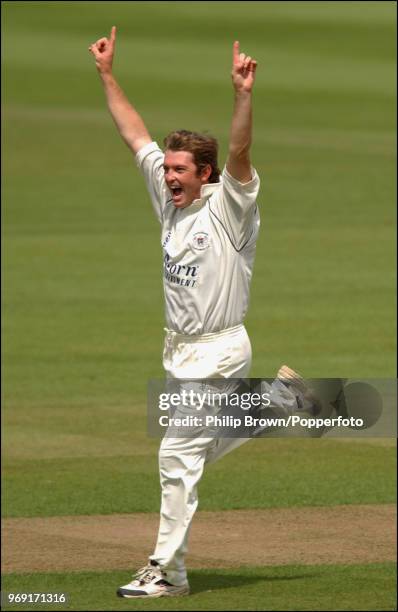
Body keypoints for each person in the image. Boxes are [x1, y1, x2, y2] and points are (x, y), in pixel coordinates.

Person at [89, 27, 317, 599]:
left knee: (176, 457)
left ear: (205, 174)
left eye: (180, 171)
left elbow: (240, 152)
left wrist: (242, 94)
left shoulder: (231, 208)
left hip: (217, 348)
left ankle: (167, 571)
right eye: (166, 170)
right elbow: (134, 135)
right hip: (181, 348)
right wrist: (107, 74)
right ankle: (278, 402)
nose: (168, 178)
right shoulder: (168, 199)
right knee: (193, 448)